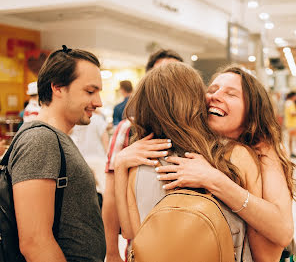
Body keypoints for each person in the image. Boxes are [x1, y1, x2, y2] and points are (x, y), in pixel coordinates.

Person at [114, 62, 279, 261]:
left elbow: (130, 232)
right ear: (194, 102)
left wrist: (120, 167)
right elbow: (259, 240)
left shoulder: (138, 163)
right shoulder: (233, 155)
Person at [154, 65, 296, 251]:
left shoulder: (264, 151)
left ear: (252, 111)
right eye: (212, 89)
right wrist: (122, 163)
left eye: (231, 94)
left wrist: (213, 179)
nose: (215, 96)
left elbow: (282, 233)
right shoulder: (196, 148)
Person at [6, 46, 106, 262]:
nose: (98, 102)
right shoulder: (40, 140)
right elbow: (35, 242)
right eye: (90, 91)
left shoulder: (55, 138)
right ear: (58, 87)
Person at [102, 49, 183, 262]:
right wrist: (111, 252)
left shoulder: (198, 132)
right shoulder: (128, 129)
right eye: (160, 75)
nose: (166, 83)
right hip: (140, 249)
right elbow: (110, 197)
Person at [70, 109, 109, 200]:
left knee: (85, 192)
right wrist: (108, 157)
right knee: (104, 190)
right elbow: (105, 139)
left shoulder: (76, 120)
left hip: (82, 159)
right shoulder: (98, 119)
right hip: (98, 158)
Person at [284, 91, 296, 158]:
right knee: (291, 139)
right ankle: (290, 152)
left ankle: (291, 152)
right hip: (292, 124)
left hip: (289, 123)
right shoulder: (291, 103)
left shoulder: (287, 102)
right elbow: (292, 113)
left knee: (290, 139)